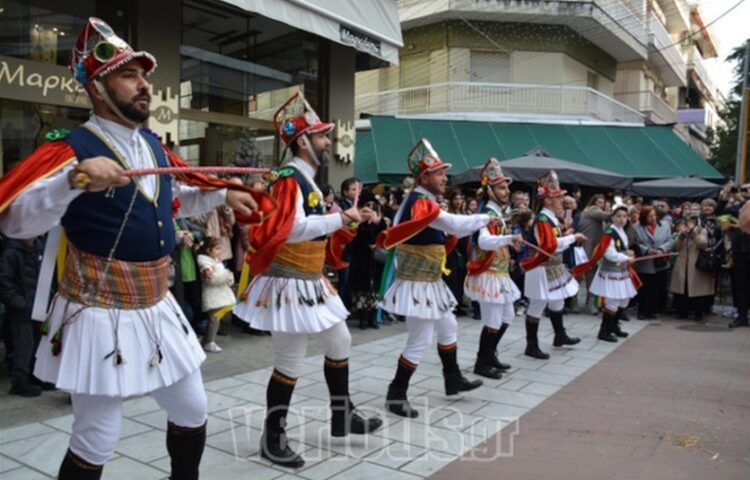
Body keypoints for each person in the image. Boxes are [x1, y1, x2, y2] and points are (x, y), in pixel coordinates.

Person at [0, 18, 272, 479]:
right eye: (129, 75)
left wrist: (221, 194)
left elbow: (169, 199)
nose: (144, 85)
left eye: (144, 75)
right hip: (96, 306)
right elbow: (17, 220)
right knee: (98, 433)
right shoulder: (71, 150)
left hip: (156, 301)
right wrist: (73, 180)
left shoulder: (151, 144)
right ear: (97, 87)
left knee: (192, 409)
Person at [233, 92, 382, 468]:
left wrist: (350, 219)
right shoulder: (289, 180)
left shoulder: (308, 181)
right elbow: (290, 229)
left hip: (311, 279)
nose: (329, 141)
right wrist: (340, 219)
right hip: (289, 282)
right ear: (302, 141)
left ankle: (342, 415)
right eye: (321, 135)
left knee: (341, 340)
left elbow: (316, 229)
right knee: (291, 359)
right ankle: (273, 438)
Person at [380, 139, 499, 418]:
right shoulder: (421, 204)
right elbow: (453, 224)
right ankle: (396, 394)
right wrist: (484, 219)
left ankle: (452, 377)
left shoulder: (423, 202)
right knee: (419, 340)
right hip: (418, 282)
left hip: (427, 280)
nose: (445, 178)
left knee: (448, 326)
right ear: (424, 177)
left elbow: (448, 226)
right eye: (440, 174)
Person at [464, 158, 522, 379]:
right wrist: (508, 239)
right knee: (493, 320)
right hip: (488, 274)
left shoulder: (498, 213)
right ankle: (482, 362)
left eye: (507, 187)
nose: (506, 191)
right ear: (490, 191)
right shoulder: (487, 214)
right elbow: (483, 242)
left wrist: (508, 241)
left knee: (507, 315)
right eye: (501, 187)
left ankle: (490, 355)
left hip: (499, 272)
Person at [521, 171, 586, 359]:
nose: (562, 201)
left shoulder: (550, 219)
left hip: (552, 265)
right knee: (538, 304)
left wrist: (567, 236)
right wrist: (572, 238)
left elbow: (554, 242)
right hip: (541, 267)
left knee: (557, 299)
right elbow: (550, 245)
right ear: (548, 200)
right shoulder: (542, 219)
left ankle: (560, 335)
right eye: (558, 197)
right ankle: (531, 345)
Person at [573, 205, 637, 342]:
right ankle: (604, 331)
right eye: (618, 216)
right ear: (612, 217)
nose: (621, 219)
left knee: (623, 299)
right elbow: (608, 253)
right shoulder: (610, 232)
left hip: (621, 271)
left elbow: (622, 249)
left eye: (624, 216)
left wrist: (628, 254)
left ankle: (614, 326)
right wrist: (626, 258)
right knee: (612, 301)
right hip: (612, 271)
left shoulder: (621, 232)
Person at [0, 236, 44, 396]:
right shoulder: (11, 252)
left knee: (38, 343)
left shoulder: (39, 248)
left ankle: (35, 376)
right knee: (23, 346)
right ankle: (19, 381)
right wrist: (20, 304)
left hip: (37, 307)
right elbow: (4, 282)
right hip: (21, 310)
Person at [670, 212, 713, 321]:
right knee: (682, 287)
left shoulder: (701, 230)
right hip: (683, 262)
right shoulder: (682, 232)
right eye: (687, 220)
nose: (689, 223)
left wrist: (693, 233)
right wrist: (681, 236)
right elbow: (677, 247)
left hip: (696, 263)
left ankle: (698, 312)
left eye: (691, 221)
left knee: (697, 289)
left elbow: (703, 244)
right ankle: (681, 311)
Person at [633, 205, 674, 320]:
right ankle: (642, 311)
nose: (652, 218)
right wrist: (646, 250)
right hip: (644, 262)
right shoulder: (636, 227)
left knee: (656, 288)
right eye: (649, 216)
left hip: (660, 261)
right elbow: (634, 243)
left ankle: (653, 310)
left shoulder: (665, 226)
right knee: (644, 288)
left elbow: (670, 240)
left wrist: (662, 249)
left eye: (654, 215)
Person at [196, 237, 235, 352]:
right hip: (212, 295)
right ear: (208, 250)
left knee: (215, 319)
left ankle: (208, 340)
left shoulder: (216, 260)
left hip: (220, 294)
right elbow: (211, 279)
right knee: (213, 319)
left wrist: (229, 278)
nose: (220, 251)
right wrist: (226, 275)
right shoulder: (204, 262)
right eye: (217, 249)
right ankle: (209, 341)